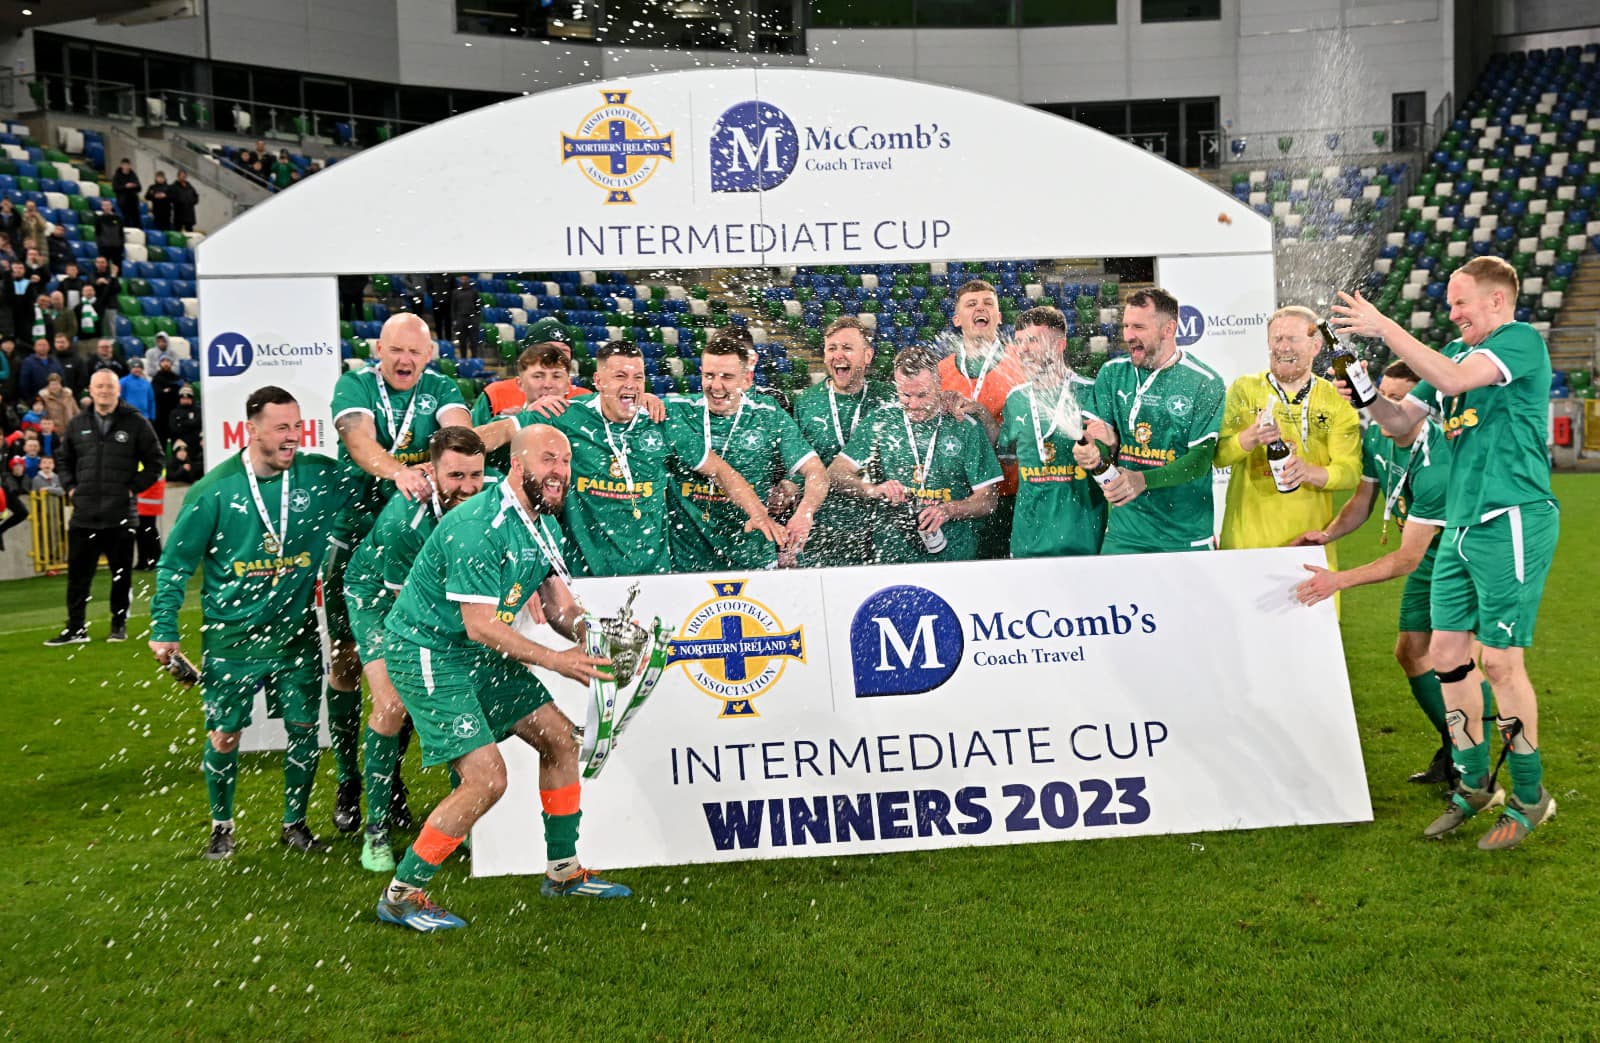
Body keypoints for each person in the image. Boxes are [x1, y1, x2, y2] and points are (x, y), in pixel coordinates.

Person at [1331, 255, 1560, 849]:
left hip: (1510, 516)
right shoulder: (1452, 357)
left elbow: (1458, 385)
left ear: (1497, 302)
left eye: (1461, 302)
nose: (1452, 313)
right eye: (1451, 303)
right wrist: (1363, 396)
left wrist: (1384, 327)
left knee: (1501, 663)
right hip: (1460, 524)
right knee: (1446, 654)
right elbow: (1401, 421)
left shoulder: (1519, 344)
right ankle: (1475, 781)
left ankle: (1533, 797)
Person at [375, 425, 628, 933]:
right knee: (487, 778)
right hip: (429, 649)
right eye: (548, 460)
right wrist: (558, 662)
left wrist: (593, 634)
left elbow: (558, 604)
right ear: (517, 464)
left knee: (560, 740)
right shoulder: (480, 524)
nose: (560, 471)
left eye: (566, 461)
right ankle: (401, 894)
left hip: (472, 649)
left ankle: (563, 873)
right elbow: (481, 624)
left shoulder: (542, 524)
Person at [150, 386, 346, 859]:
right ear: (251, 429)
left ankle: (294, 823)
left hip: (295, 636)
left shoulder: (319, 477)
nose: (292, 437)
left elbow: (372, 485)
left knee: (304, 729)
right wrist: (163, 627)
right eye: (281, 428)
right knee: (225, 734)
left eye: (297, 427)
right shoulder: (213, 490)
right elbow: (175, 564)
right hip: (232, 640)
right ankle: (222, 826)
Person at [1291, 360, 1493, 786]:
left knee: (1456, 660)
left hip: (1462, 561)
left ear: (1422, 407)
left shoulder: (1437, 461)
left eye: (1398, 399)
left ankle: (1475, 758)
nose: (1382, 405)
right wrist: (1326, 535)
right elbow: (1363, 500)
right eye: (1380, 393)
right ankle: (1454, 745)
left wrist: (1338, 580)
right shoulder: (1378, 440)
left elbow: (1406, 558)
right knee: (1410, 653)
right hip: (1430, 559)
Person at [325, 312, 471, 833]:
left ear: (429, 355)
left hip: (415, 541)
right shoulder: (355, 384)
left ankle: (390, 787)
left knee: (401, 679)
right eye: (395, 351)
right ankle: (349, 781)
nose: (405, 360)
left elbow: (460, 432)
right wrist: (400, 471)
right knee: (346, 666)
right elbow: (359, 441)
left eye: (415, 352)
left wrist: (456, 462)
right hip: (356, 540)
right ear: (378, 352)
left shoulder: (443, 388)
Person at [492, 340, 785, 577]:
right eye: (620, 376)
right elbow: (499, 432)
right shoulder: (566, 415)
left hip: (655, 577)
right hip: (585, 578)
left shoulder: (661, 419)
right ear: (598, 381)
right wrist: (453, 447)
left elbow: (721, 471)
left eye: (638, 377)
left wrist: (757, 512)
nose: (630, 385)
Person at [344, 427, 488, 872]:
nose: (467, 487)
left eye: (475, 475)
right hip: (380, 599)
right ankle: (377, 829)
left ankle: (458, 822)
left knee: (460, 693)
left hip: (443, 597)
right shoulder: (402, 524)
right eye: (455, 476)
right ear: (431, 470)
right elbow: (412, 613)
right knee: (391, 707)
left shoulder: (494, 495)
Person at [1074, 288, 1227, 555]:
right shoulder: (1112, 373)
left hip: (1184, 536)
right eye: (1125, 325)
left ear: (1168, 329)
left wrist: (1142, 480)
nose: (1128, 335)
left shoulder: (1204, 381)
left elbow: (1200, 462)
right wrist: (1092, 452)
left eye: (1139, 327)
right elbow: (1101, 437)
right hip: (1124, 535)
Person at [665, 335, 827, 571]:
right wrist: (645, 400)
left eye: (727, 377)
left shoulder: (768, 413)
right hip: (689, 565)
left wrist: (805, 513)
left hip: (753, 560)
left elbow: (816, 471)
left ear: (747, 379)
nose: (716, 385)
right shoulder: (676, 412)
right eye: (709, 376)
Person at [828, 345, 1003, 563]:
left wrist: (948, 510)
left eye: (922, 395)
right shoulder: (882, 421)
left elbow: (988, 500)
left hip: (955, 556)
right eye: (905, 395)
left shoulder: (965, 426)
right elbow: (836, 473)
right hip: (894, 555)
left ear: (939, 384)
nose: (913, 404)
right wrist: (872, 490)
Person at [1215, 305, 1362, 557]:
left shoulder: (1335, 399)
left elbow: (1350, 473)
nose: (1283, 347)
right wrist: (1250, 438)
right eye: (1276, 339)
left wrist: (1308, 472)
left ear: (1315, 347)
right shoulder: (1244, 389)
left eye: (1292, 339)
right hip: (1244, 545)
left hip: (1307, 544)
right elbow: (1218, 457)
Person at [46, 369, 163, 645]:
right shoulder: (78, 423)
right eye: (99, 387)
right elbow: (63, 460)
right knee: (77, 577)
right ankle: (76, 629)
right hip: (84, 514)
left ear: (118, 390)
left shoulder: (136, 422)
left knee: (121, 576)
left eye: (109, 387)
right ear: (90, 389)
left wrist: (132, 488)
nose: (104, 391)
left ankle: (118, 625)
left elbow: (156, 461)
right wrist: (71, 487)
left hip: (121, 515)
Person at [996, 306, 1106, 557]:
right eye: (1019, 341)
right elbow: (1006, 453)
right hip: (1027, 544)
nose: (1022, 349)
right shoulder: (1015, 399)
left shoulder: (1090, 392)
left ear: (1059, 345)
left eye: (1033, 340)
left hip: (1083, 543)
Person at [791, 316, 898, 567]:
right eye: (832, 348)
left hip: (883, 526)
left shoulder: (889, 398)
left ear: (868, 356)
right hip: (824, 529)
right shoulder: (806, 403)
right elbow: (797, 470)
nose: (838, 355)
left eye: (847, 348)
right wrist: (786, 489)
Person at [937, 279, 1024, 558]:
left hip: (1013, 494)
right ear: (957, 319)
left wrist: (985, 417)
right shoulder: (940, 371)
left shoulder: (1022, 363)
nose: (980, 309)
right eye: (971, 304)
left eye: (988, 303)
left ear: (998, 317)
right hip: (962, 499)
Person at [17, 337, 61, 405]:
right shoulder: (28, 362)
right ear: (34, 347)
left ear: (49, 347)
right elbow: (24, 383)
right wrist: (31, 400)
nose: (42, 347)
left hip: (55, 398)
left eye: (44, 345)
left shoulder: (55, 361)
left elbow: (62, 378)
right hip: (36, 400)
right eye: (39, 345)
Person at [448, 275, 481, 357]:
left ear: (468, 280)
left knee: (473, 342)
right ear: (460, 280)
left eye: (465, 279)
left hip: (472, 319)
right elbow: (453, 307)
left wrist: (476, 319)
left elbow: (478, 307)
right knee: (462, 341)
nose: (464, 281)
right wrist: (454, 320)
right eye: (462, 279)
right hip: (460, 319)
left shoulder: (474, 292)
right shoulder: (455, 292)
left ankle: (474, 359)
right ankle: (463, 360)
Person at [168, 385, 202, 458]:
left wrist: (182, 422)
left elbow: (197, 423)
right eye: (183, 398)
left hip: (195, 442)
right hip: (180, 442)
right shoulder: (174, 412)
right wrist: (190, 423)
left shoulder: (198, 410)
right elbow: (174, 429)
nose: (185, 400)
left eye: (187, 398)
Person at [120, 358, 156, 422]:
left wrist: (152, 416)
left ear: (142, 369)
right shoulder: (123, 382)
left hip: (145, 416)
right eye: (134, 367)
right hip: (128, 416)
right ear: (130, 369)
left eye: (139, 367)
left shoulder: (146, 383)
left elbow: (151, 400)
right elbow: (120, 399)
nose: (137, 369)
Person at [112, 159, 142, 228]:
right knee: (126, 219)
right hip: (123, 202)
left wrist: (134, 186)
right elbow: (115, 188)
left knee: (137, 220)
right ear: (121, 166)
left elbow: (139, 188)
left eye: (128, 165)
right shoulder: (117, 176)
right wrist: (125, 186)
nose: (126, 167)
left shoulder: (133, 175)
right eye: (125, 165)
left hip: (134, 201)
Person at [94, 202, 124, 268]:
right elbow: (97, 234)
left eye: (108, 205)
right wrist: (100, 245)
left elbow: (121, 233)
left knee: (117, 267)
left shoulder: (118, 218)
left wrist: (121, 244)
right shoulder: (99, 219)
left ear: (111, 206)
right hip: (104, 247)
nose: (107, 207)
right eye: (104, 205)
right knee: (104, 267)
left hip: (117, 247)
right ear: (102, 207)